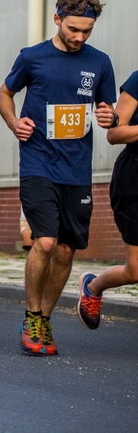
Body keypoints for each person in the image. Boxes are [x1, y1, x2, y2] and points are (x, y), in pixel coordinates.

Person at [0, 0, 116, 355]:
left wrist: (108, 115)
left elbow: (108, 109)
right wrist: (14, 122)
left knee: (65, 251)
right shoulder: (33, 57)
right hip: (38, 162)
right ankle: (32, 316)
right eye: (73, 29)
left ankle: (44, 321)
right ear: (57, 19)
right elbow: (4, 93)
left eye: (86, 31)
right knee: (45, 241)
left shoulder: (100, 62)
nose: (79, 37)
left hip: (77, 169)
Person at [78, 69, 138, 330]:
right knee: (136, 271)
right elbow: (115, 133)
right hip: (134, 179)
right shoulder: (137, 80)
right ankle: (93, 286)